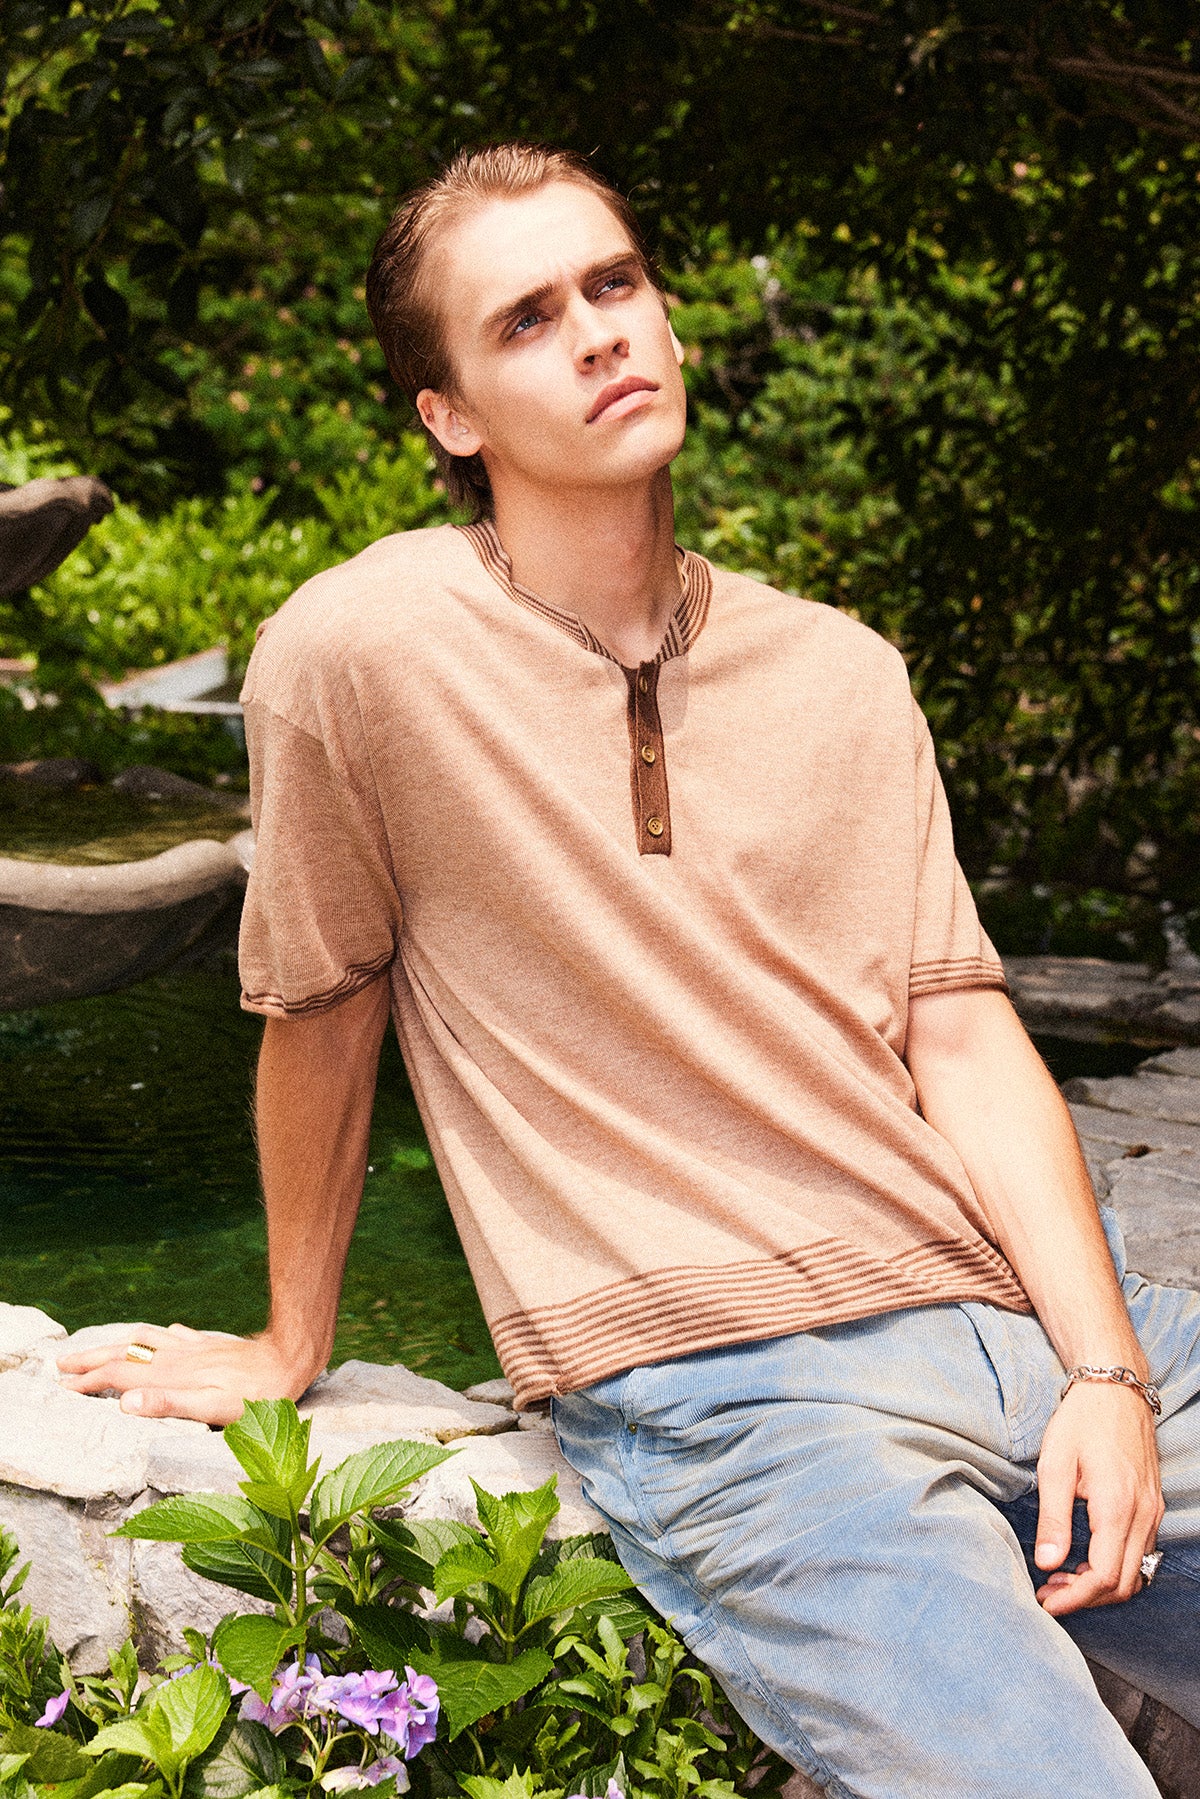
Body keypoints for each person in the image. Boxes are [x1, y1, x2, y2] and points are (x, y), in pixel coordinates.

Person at [58, 144, 1200, 1796]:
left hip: (1024, 1320)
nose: (598, 330)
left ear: (669, 320)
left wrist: (1103, 1371)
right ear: (449, 414)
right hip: (736, 1402)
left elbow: (960, 1036)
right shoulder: (361, 653)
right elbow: (323, 1006)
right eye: (526, 319)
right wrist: (290, 1338)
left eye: (614, 283)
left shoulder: (842, 672)